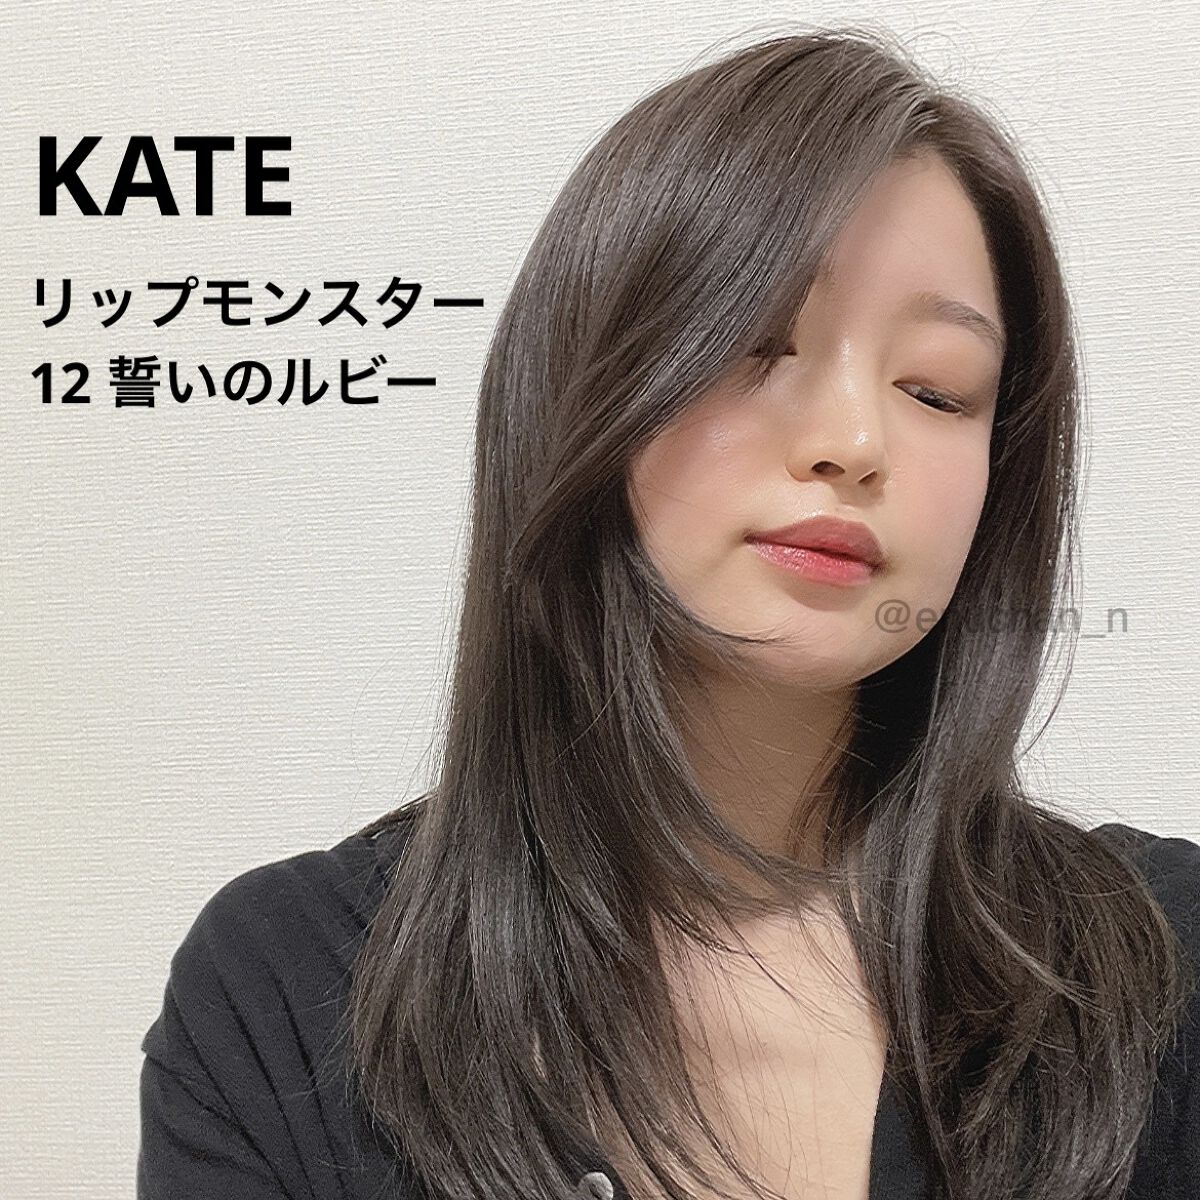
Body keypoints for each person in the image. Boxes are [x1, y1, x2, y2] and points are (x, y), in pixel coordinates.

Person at [137, 26, 1200, 1200]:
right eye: (759, 343)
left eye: (936, 390)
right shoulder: (289, 996)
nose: (855, 441)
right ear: (583, 389)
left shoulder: (1162, 967)